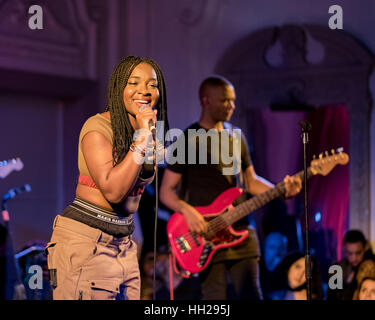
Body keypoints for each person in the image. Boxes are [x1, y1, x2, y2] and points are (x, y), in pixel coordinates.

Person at [160, 75, 302, 300]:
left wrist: (281, 190)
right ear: (206, 101)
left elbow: (251, 181)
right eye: (225, 100)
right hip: (205, 235)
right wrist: (187, 211)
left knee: (252, 295)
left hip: (242, 230)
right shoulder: (187, 140)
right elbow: (166, 191)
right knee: (215, 299)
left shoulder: (237, 137)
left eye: (233, 100)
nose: (232, 106)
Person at [45, 55, 169, 300]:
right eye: (134, 83)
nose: (144, 91)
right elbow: (113, 190)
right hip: (87, 242)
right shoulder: (97, 128)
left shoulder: (147, 133)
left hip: (124, 244)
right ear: (118, 88)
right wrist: (142, 138)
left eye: (152, 84)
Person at [328, 229, 375, 300]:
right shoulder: (337, 269)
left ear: (365, 248)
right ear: (344, 249)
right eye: (350, 253)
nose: (354, 258)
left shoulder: (370, 266)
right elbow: (332, 297)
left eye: (358, 253)